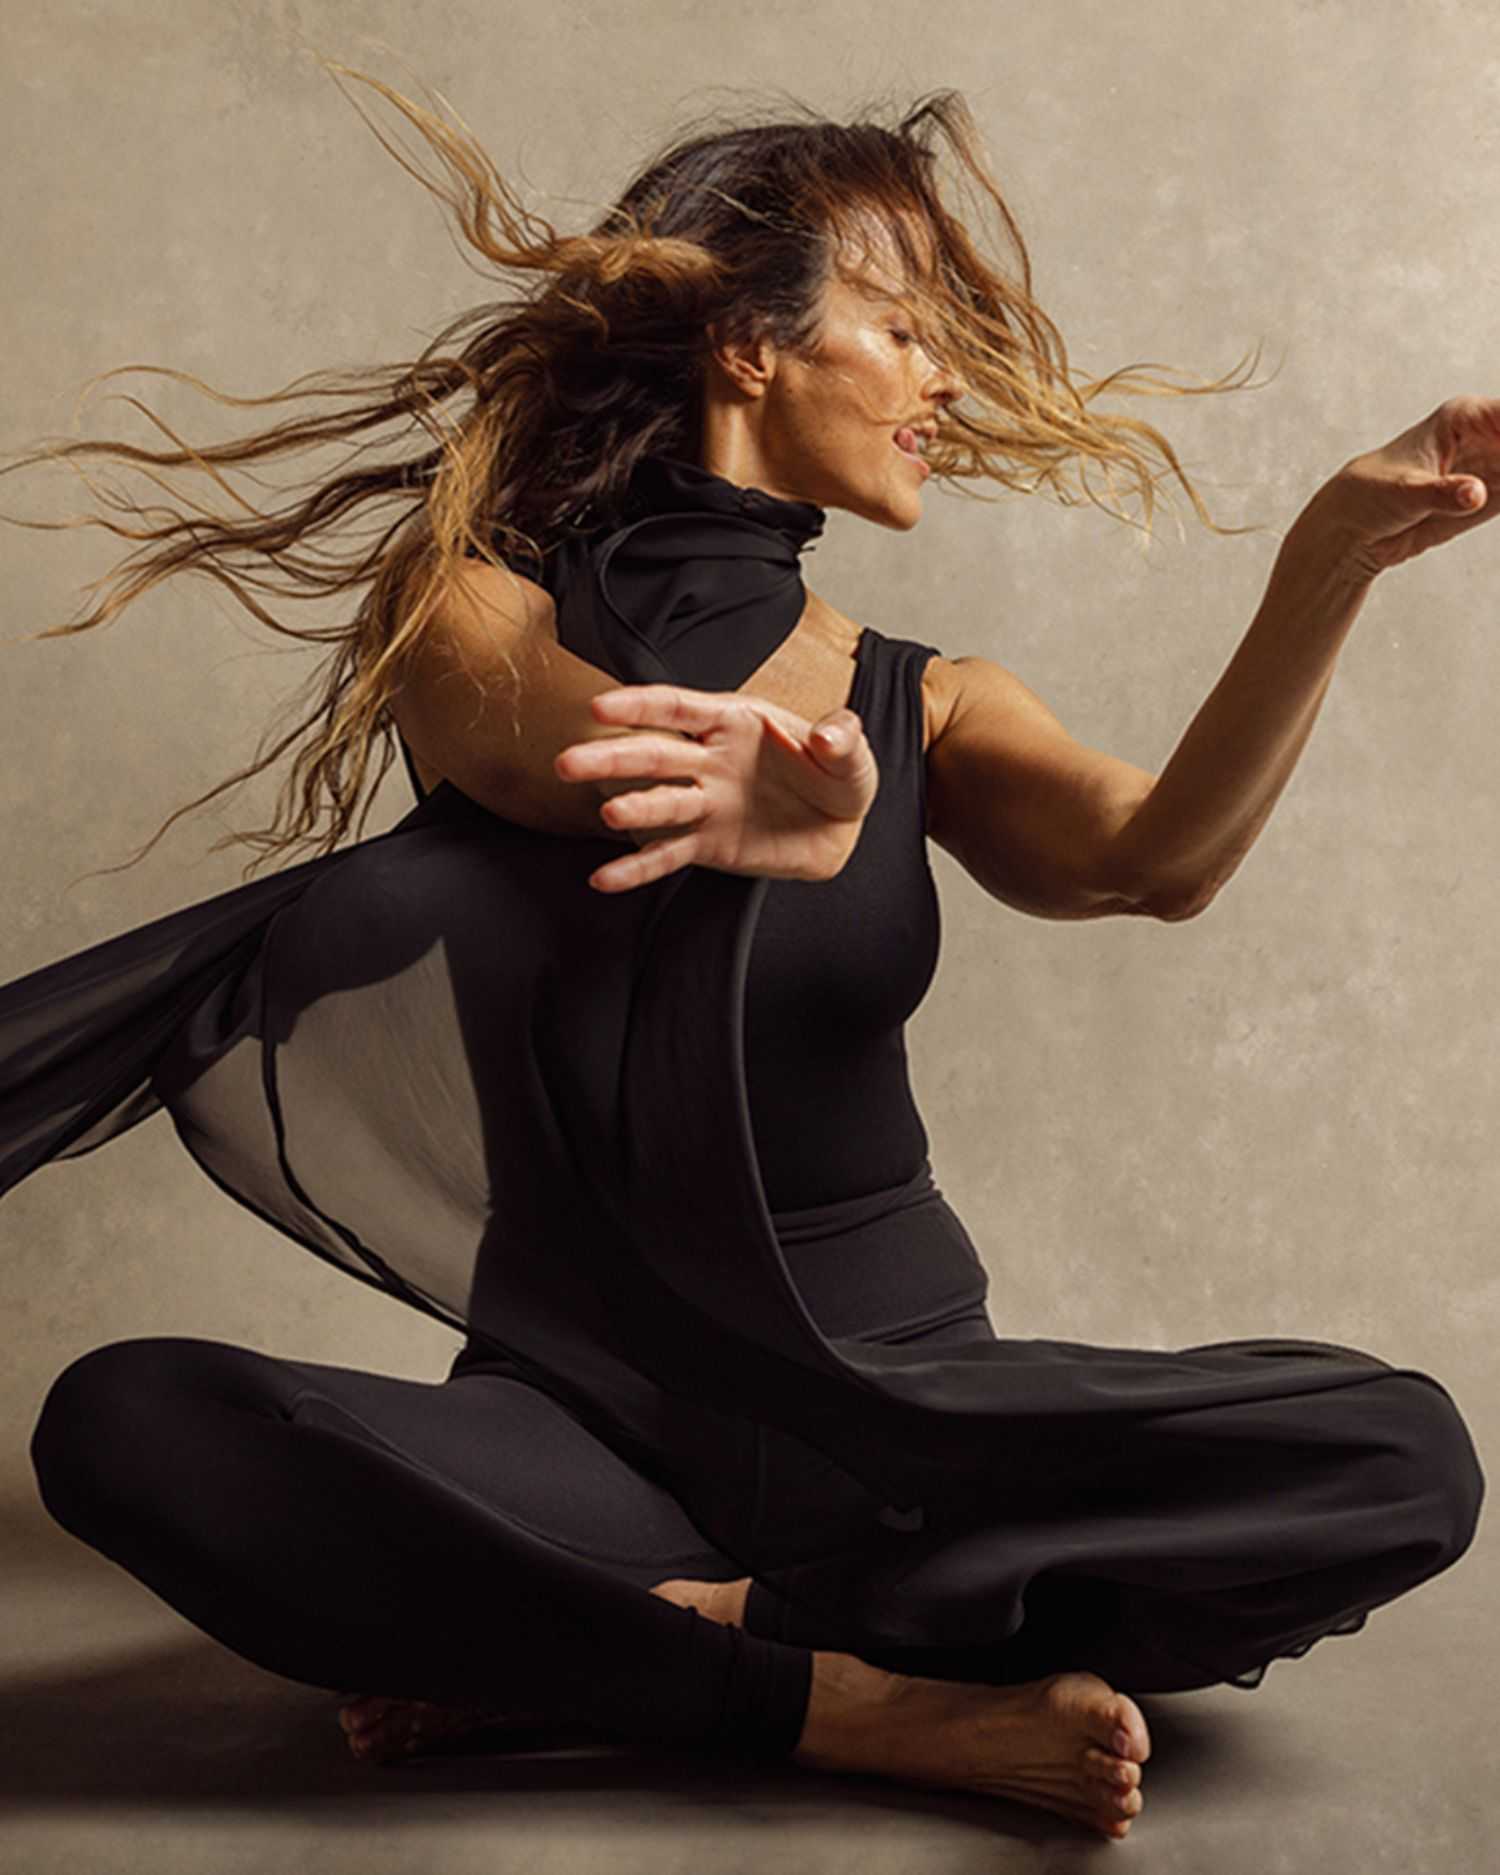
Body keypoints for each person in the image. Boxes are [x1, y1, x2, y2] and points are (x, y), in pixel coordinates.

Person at [5, 64, 1488, 1846]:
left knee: (1398, 1452)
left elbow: (1156, 861)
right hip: (592, 1430)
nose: (946, 379)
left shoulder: (925, 698)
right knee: (126, 1419)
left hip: (911, 1426)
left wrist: (1331, 562)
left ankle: (630, 1647)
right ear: (748, 344)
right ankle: (840, 1706)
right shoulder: (472, 601)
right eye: (900, 326)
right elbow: (570, 747)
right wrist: (776, 813)